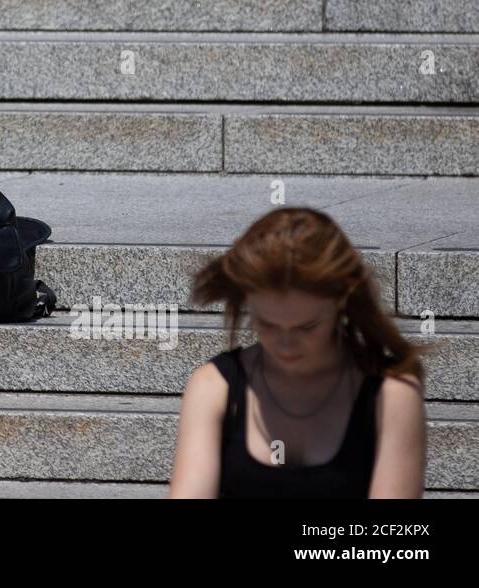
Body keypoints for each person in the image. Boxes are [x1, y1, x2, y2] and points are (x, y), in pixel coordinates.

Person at [170, 207, 427, 498]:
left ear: (342, 303)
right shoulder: (213, 387)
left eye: (307, 326)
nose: (286, 343)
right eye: (267, 324)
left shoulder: (391, 393)